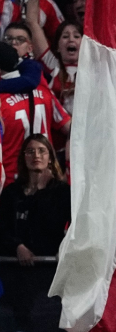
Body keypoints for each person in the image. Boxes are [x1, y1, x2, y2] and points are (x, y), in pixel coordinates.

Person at [0, 42, 70, 188]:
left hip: (11, 186)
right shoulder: (41, 87)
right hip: (47, 181)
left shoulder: (2, 101)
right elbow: (69, 127)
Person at [0, 134, 70, 264]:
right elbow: (2, 228)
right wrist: (18, 246)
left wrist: (42, 190)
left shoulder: (62, 192)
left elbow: (65, 226)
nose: (36, 155)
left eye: (41, 151)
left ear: (50, 158)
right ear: (24, 157)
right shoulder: (11, 192)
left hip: (48, 265)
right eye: (30, 151)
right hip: (12, 265)